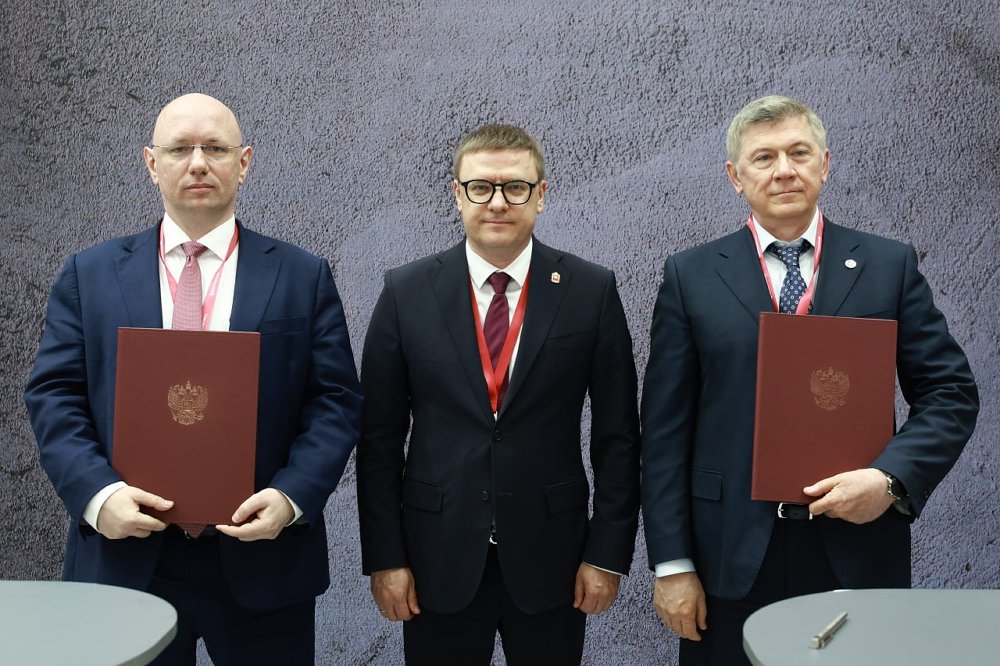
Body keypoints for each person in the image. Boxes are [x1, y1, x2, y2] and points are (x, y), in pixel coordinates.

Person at [24, 93, 363, 665]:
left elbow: (334, 402)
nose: (198, 163)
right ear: (151, 163)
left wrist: (290, 498)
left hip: (262, 557)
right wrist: (99, 495)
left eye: (216, 148)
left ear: (244, 162)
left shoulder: (303, 276)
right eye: (180, 149)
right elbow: (54, 396)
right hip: (125, 558)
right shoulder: (90, 274)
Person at [640, 95, 979, 665]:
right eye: (764, 157)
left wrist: (890, 480)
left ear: (824, 164)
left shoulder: (888, 266)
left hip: (856, 550)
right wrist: (672, 564)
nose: (784, 170)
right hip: (728, 558)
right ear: (736, 177)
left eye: (799, 153)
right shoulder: (690, 275)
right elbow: (664, 431)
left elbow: (950, 393)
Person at [356, 124, 641, 665]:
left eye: (515, 187)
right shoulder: (405, 292)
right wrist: (386, 558)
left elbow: (618, 436)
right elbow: (378, 441)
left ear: (541, 194)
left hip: (554, 558)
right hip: (435, 558)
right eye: (481, 187)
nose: (498, 202)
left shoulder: (590, 290)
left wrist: (607, 554)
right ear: (457, 194)